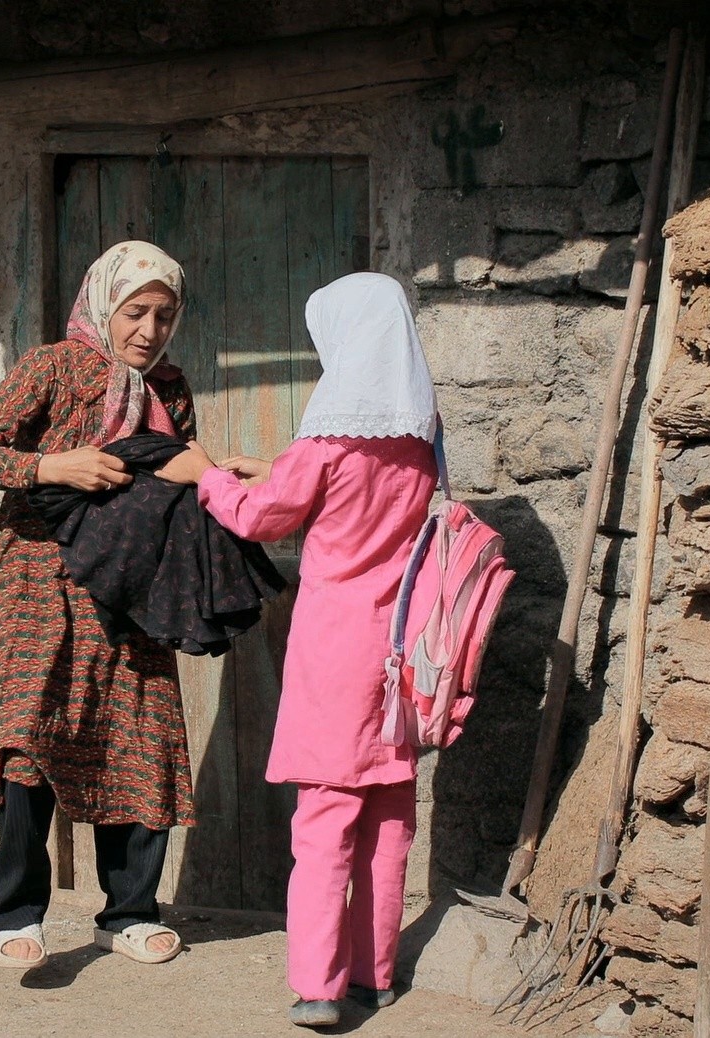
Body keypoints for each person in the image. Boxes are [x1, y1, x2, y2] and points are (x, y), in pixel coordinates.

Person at [0, 240, 213, 972]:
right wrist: (46, 467)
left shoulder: (170, 387)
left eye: (164, 315)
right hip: (36, 585)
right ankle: (18, 912)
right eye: (136, 312)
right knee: (25, 736)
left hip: (128, 589)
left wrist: (226, 481)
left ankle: (127, 914)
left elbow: (175, 470)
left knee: (139, 738)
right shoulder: (53, 367)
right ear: (106, 305)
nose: (149, 330)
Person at [196, 272, 439, 1029]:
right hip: (402, 650)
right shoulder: (419, 434)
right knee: (390, 819)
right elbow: (357, 495)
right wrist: (283, 472)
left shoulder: (324, 439)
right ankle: (375, 977)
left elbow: (262, 515)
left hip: (336, 648)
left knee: (325, 819)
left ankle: (318, 986)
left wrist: (205, 478)